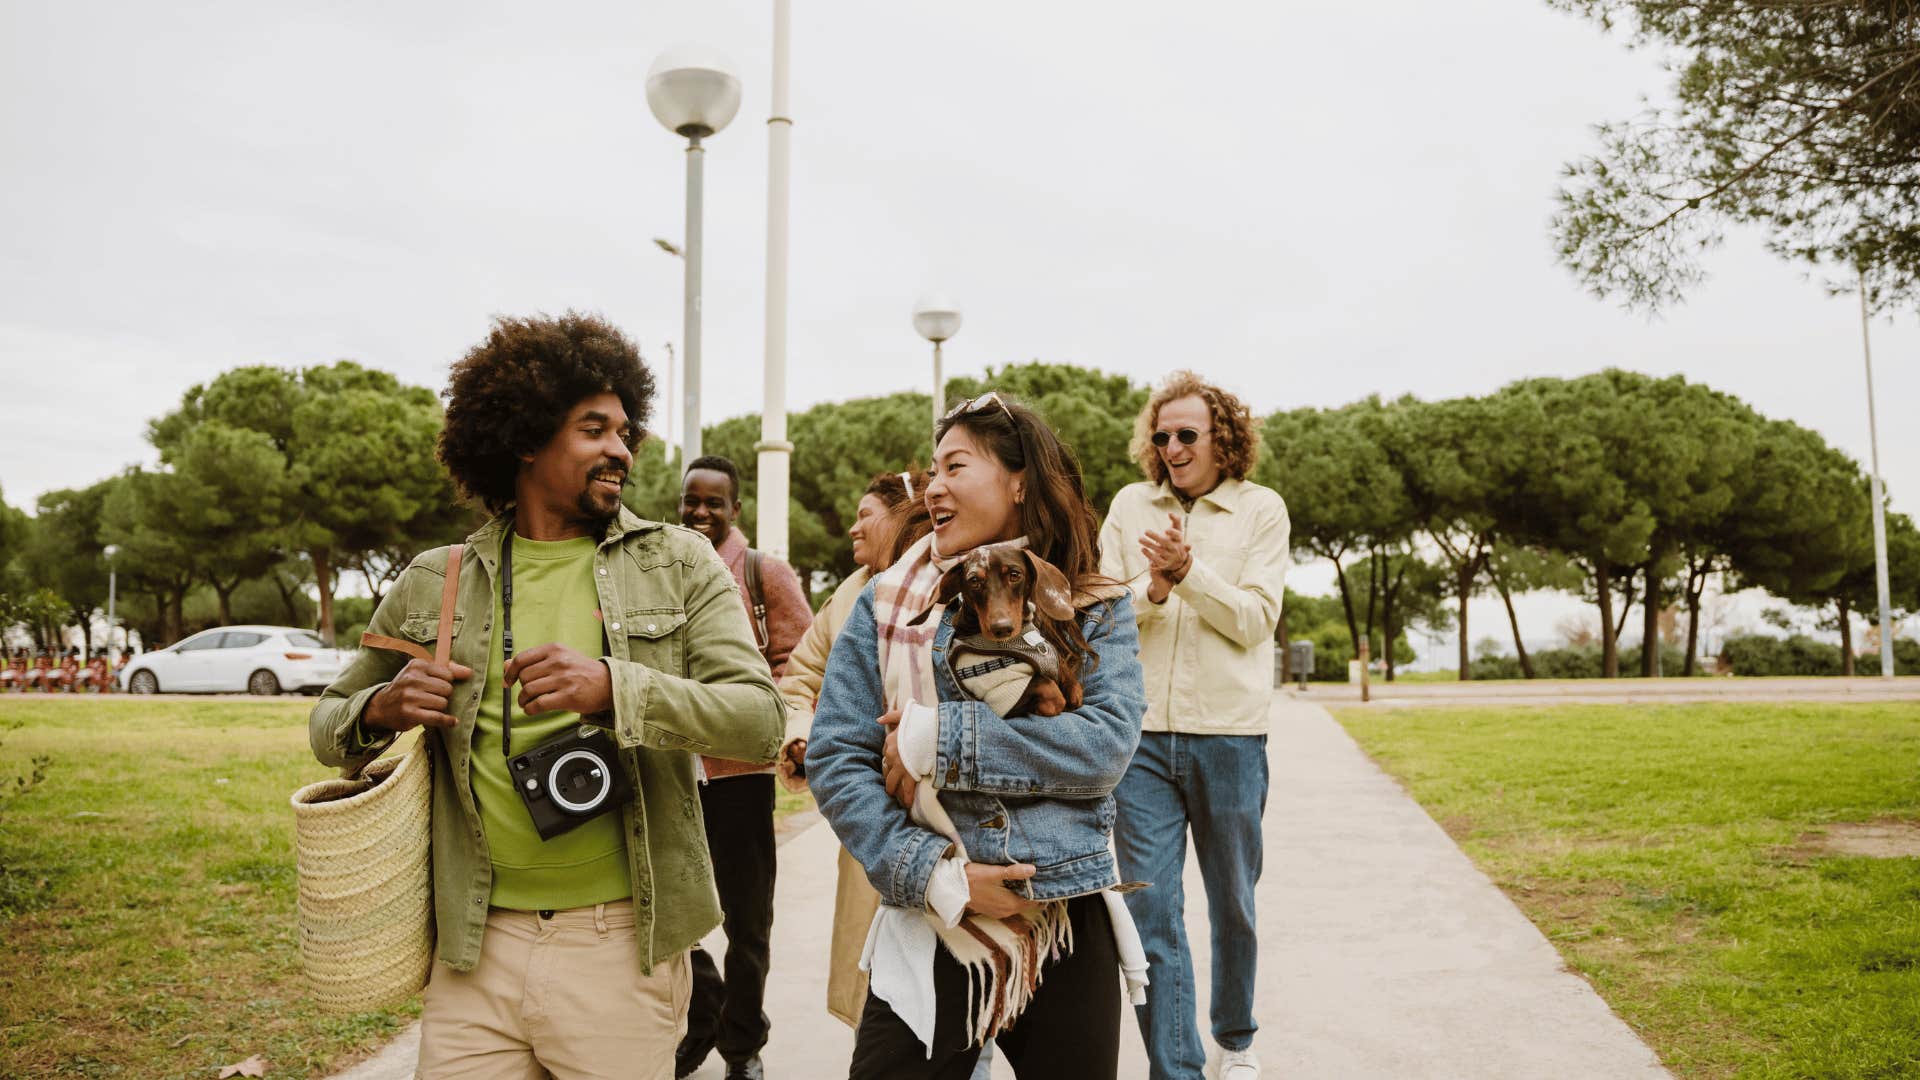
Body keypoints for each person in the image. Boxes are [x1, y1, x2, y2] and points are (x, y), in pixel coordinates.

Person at [310, 312, 785, 1080]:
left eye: (625, 431)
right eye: (593, 429)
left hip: (620, 947)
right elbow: (328, 725)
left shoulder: (680, 564)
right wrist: (381, 709)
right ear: (527, 438)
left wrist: (615, 689)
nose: (620, 450)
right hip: (473, 953)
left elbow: (761, 721)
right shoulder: (437, 579)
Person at [808, 393, 1149, 1079]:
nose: (932, 487)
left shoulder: (1092, 602)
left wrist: (934, 739)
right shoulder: (886, 604)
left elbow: (1103, 746)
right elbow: (836, 757)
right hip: (930, 919)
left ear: (1019, 480)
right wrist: (940, 878)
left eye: (954, 466)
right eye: (932, 471)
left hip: (1063, 919)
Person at [1098, 372, 1290, 1080]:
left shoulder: (1262, 511)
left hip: (1231, 736)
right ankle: (1175, 1070)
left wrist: (1190, 570)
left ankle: (1235, 1042)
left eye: (1187, 435)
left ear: (1224, 439)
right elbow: (1100, 605)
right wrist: (1152, 587)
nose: (1171, 447)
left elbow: (1254, 619)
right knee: (1152, 913)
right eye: (1161, 436)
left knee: (1233, 904)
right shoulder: (1128, 506)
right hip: (1139, 738)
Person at [773, 469, 932, 1031]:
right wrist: (802, 737)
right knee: (884, 993)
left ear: (904, 511)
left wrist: (927, 735)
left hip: (960, 816)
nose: (851, 527)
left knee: (963, 990)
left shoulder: (960, 572)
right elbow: (800, 677)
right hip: (873, 816)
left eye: (866, 514)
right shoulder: (849, 594)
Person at [674, 454, 813, 1080]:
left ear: (736, 509)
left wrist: (761, 719)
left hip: (742, 777)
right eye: (690, 502)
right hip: (671, 774)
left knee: (746, 922)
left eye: (713, 503)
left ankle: (742, 1047)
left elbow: (801, 663)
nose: (700, 513)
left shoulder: (764, 573)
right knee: (670, 912)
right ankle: (705, 1008)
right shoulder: (661, 566)